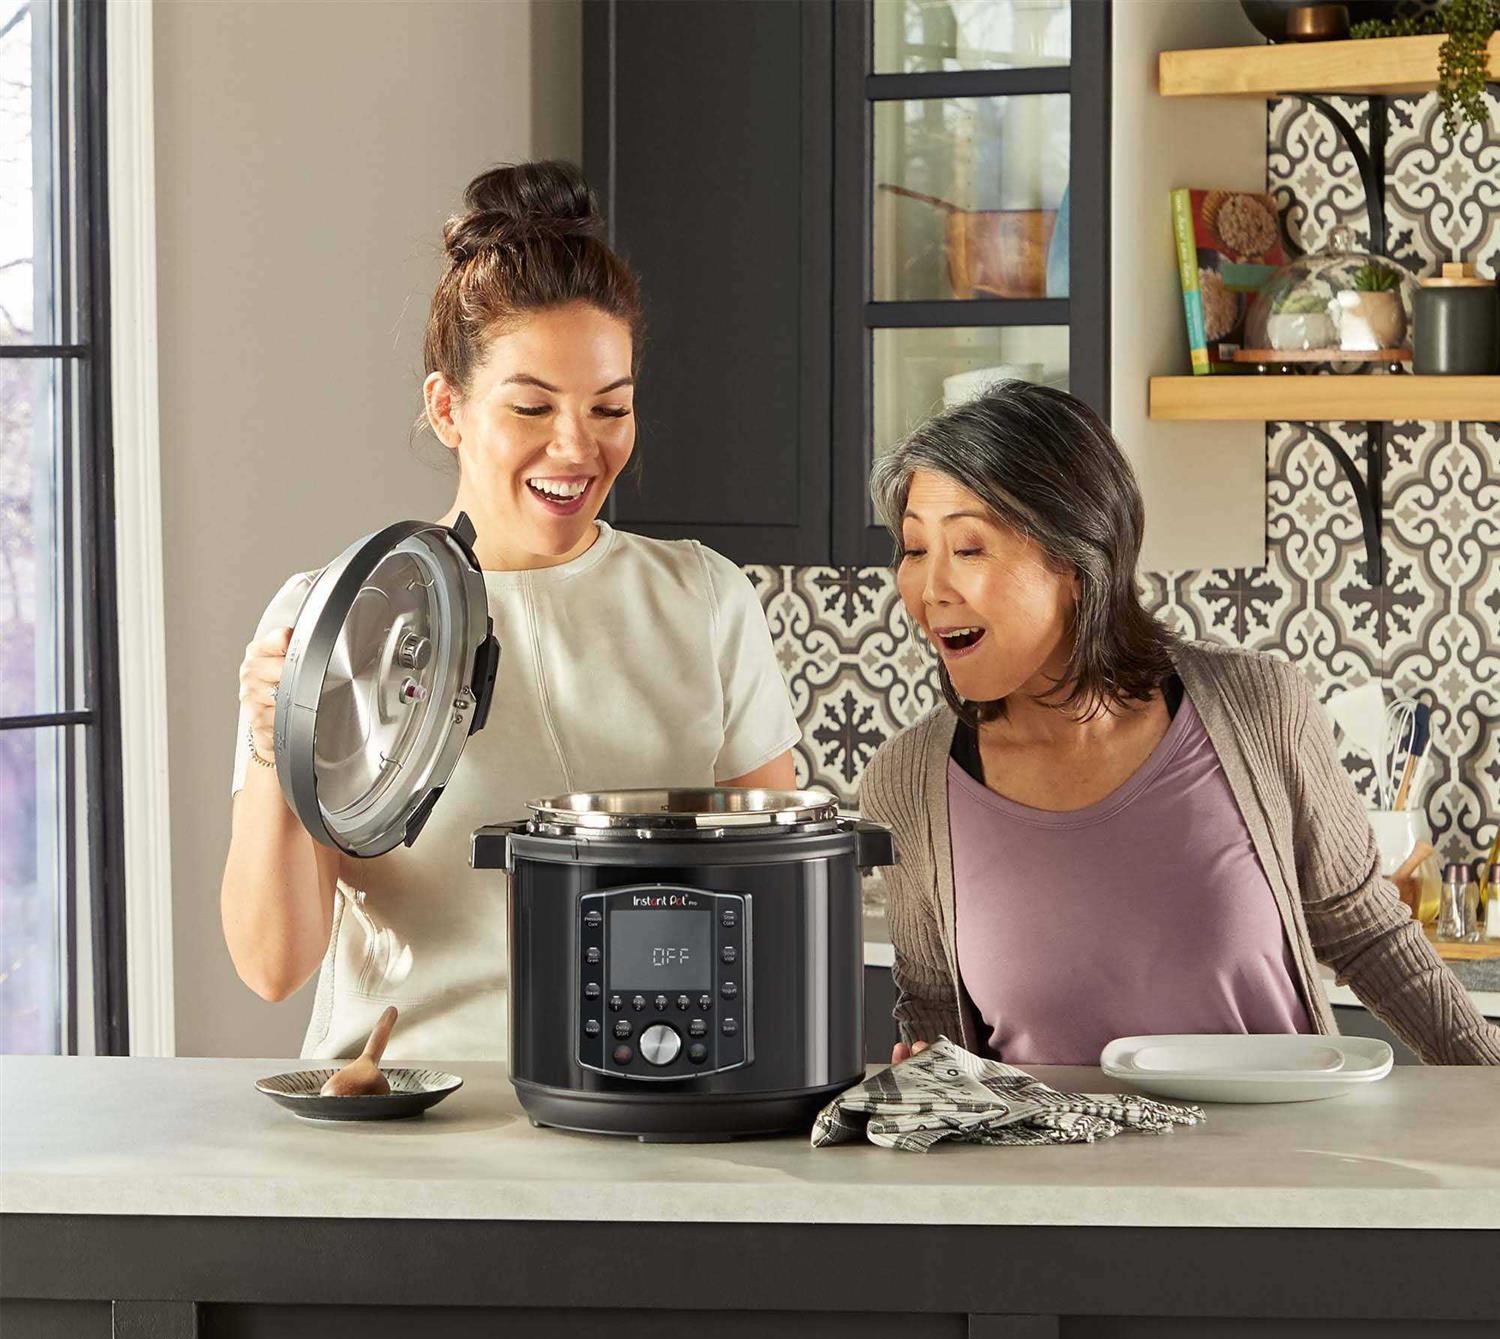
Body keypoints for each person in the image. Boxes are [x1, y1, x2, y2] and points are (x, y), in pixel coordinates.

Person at [221, 161, 799, 1060]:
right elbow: (272, 964)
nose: (577, 447)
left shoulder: (703, 598)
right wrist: (276, 744)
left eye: (610, 407)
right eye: (532, 407)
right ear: (447, 408)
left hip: (654, 1092)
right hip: (416, 1095)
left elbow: (778, 910)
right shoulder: (333, 617)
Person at [859, 381, 1499, 1067]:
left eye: (968, 549)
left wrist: (1488, 1088)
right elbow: (935, 1007)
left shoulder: (1257, 710)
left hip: (1284, 1140)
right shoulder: (908, 784)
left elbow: (1369, 935)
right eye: (915, 549)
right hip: (1048, 1145)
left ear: (1075, 560)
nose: (930, 590)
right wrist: (930, 1082)